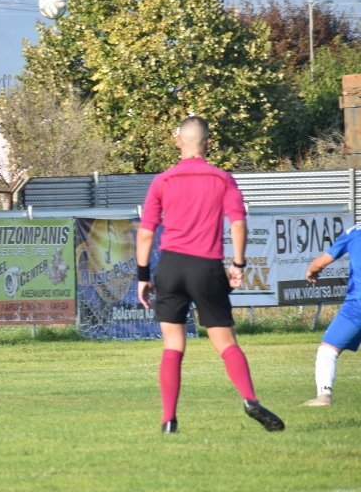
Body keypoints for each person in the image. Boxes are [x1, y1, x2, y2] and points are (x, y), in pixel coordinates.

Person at [136, 116, 284, 433]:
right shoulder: (222, 179)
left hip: (172, 267)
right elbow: (238, 223)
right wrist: (239, 265)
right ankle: (249, 399)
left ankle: (168, 419)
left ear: (179, 142)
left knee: (173, 345)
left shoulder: (162, 181)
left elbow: (146, 232)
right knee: (225, 341)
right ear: (208, 142)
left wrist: (142, 275)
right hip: (205, 266)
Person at [302, 226, 361, 406]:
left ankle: (324, 396)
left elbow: (322, 262)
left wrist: (311, 270)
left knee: (328, 350)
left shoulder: (355, 233)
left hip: (357, 305)